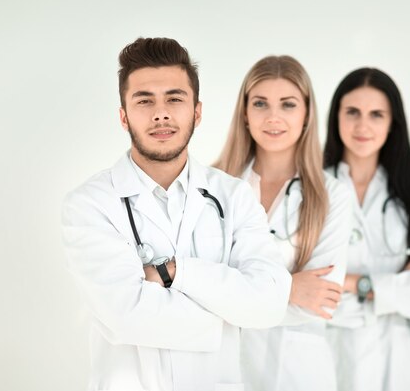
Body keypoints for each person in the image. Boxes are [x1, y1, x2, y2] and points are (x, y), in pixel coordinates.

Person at [61, 37, 291, 391]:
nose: (161, 113)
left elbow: (271, 303)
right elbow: (126, 317)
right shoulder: (90, 204)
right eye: (144, 100)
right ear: (124, 116)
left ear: (197, 112)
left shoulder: (234, 196)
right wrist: (229, 314)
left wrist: (174, 272)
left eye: (174, 98)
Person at [214, 55, 351, 391]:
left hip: (299, 373)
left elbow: (321, 299)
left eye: (287, 105)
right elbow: (195, 287)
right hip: (222, 366)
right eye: (260, 103)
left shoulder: (331, 195)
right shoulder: (211, 186)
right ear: (245, 113)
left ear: (306, 115)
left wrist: (232, 294)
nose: (273, 117)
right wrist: (290, 288)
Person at [323, 68, 410, 391]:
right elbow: (311, 292)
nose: (363, 125)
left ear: (393, 123)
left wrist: (353, 283)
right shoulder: (313, 191)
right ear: (336, 117)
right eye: (352, 112)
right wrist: (395, 285)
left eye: (376, 114)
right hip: (330, 356)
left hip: (400, 361)